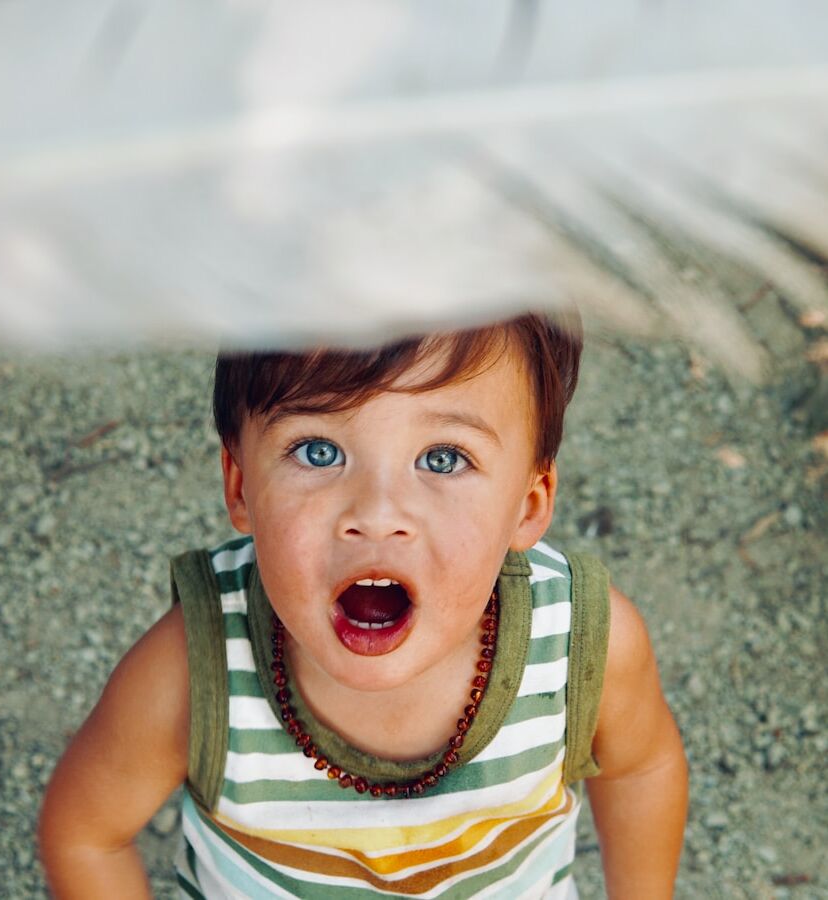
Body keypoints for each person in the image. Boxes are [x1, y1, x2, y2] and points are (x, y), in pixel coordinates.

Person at [38, 312, 688, 898]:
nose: (377, 516)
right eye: (319, 452)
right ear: (240, 486)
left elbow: (641, 768)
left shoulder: (580, 646)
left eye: (442, 457)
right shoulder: (191, 673)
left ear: (529, 504)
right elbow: (86, 832)